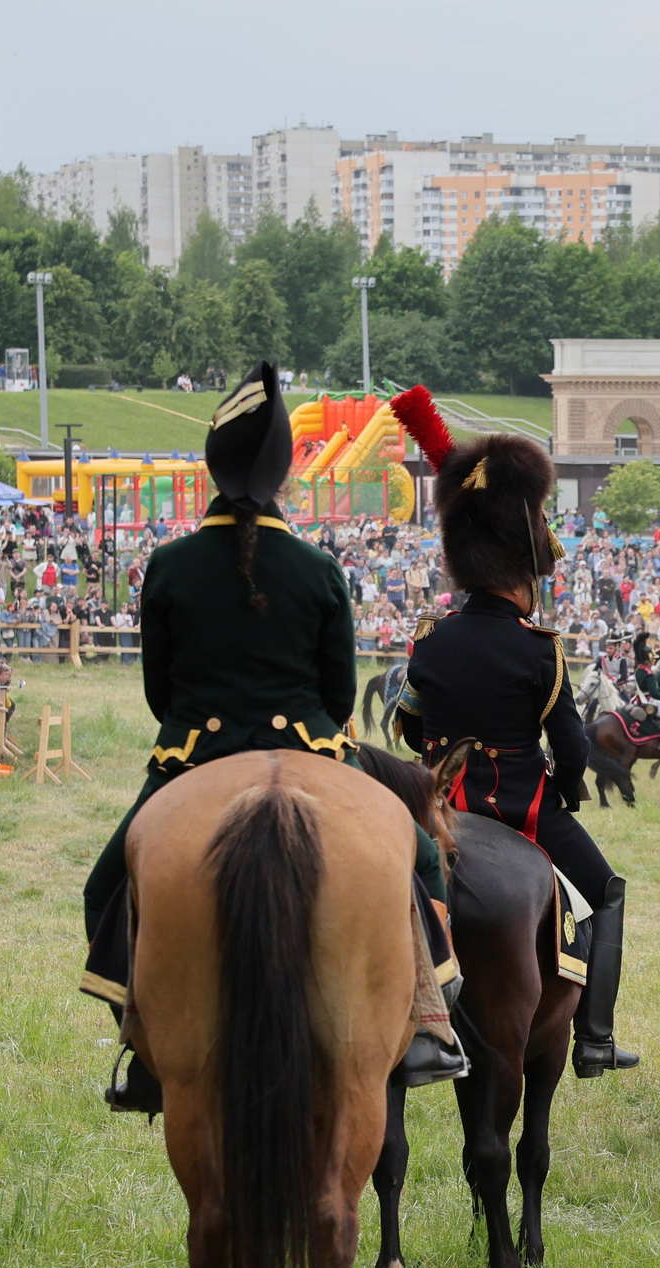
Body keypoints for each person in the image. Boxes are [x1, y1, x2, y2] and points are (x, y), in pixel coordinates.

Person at [80, 364, 465, 1111]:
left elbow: (161, 693)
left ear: (215, 468)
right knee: (419, 861)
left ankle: (147, 1044)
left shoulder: (168, 565)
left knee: (106, 884)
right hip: (312, 747)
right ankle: (425, 1023)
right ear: (287, 471)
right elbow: (332, 693)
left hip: (194, 754)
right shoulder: (320, 569)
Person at [388, 387, 639, 1079]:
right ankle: (593, 1034)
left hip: (442, 810)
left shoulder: (429, 641)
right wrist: (567, 788)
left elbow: (409, 726)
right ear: (520, 574)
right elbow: (574, 744)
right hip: (523, 810)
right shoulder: (540, 649)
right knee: (607, 887)